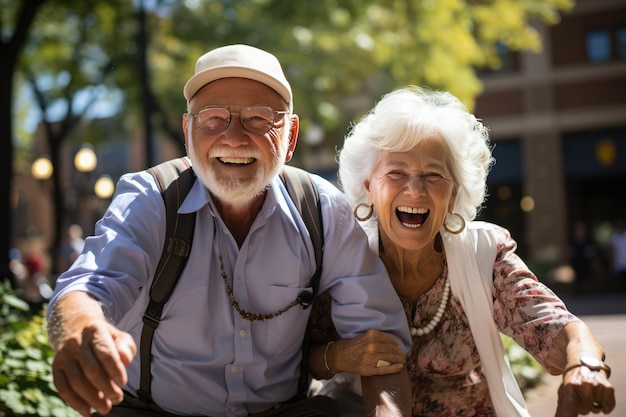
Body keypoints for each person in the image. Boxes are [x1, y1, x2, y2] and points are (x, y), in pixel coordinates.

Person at [46, 44, 412, 417]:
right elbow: (89, 285)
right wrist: (79, 329)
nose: (234, 137)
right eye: (214, 118)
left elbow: (380, 339)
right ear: (188, 131)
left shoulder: (322, 209)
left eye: (258, 118)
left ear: (290, 136)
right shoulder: (151, 199)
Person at [308, 86, 616, 416]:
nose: (415, 189)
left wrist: (585, 365)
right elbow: (303, 356)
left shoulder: (486, 255)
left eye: (433, 175)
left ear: (454, 194)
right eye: (396, 172)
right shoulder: (343, 258)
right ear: (369, 186)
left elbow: (555, 327)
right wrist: (340, 356)